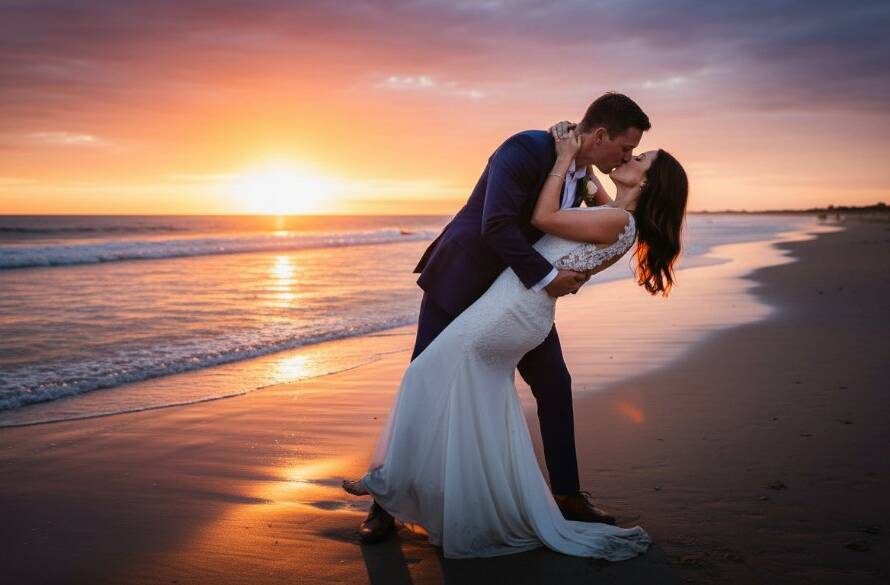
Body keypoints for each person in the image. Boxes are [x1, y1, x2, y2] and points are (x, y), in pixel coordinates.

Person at [343, 93, 689, 559]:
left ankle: (566, 494)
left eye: (634, 156)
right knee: (427, 377)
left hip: (517, 297)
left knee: (553, 384)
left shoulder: (584, 175)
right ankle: (387, 504)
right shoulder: (525, 150)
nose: (626, 158)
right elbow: (498, 224)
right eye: (626, 149)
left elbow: (592, 221)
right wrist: (550, 278)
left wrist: (560, 271)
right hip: (465, 280)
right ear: (601, 136)